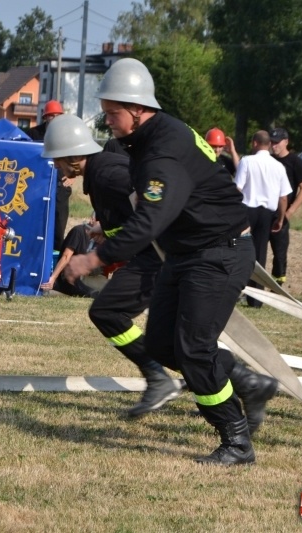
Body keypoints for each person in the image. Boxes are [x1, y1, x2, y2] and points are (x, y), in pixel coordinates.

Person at [64, 58, 278, 466]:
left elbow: (151, 219)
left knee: (194, 349)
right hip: (186, 254)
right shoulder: (149, 139)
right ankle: (249, 384)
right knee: (163, 345)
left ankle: (236, 441)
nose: (106, 121)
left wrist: (95, 258)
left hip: (218, 253)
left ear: (137, 109)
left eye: (112, 113)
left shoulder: (161, 151)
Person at [42, 114, 179, 416]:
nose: (56, 165)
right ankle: (245, 382)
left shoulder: (108, 176)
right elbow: (132, 212)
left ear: (73, 156)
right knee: (172, 342)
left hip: (159, 256)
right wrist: (106, 229)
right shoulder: (100, 173)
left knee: (108, 312)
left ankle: (159, 379)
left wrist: (94, 258)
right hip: (156, 255)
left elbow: (152, 202)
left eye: (58, 159)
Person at [234, 130, 292, 308]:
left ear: (254, 143)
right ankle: (256, 300)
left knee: (240, 250)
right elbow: (283, 198)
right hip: (267, 213)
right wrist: (280, 219)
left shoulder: (247, 161)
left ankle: (236, 290)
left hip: (248, 211)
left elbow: (237, 188)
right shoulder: (278, 166)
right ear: (269, 144)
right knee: (260, 254)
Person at [28, 100, 71, 253]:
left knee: (58, 227)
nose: (54, 119)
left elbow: (79, 156)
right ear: (45, 117)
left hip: (60, 186)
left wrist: (73, 176)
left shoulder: (69, 135)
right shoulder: (33, 134)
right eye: (51, 116)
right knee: (36, 225)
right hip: (38, 186)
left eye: (57, 116)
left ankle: (55, 259)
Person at [269, 127, 302, 286]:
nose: (274, 146)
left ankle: (277, 286)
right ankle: (253, 286)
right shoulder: (268, 160)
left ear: (286, 142)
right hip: (265, 212)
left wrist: (290, 211)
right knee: (256, 250)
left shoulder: (295, 162)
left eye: (277, 142)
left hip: (281, 213)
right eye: (272, 142)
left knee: (280, 253)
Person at [41, 217, 99, 298]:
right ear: (92, 220)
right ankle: (57, 286)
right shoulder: (78, 231)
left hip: (83, 277)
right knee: (92, 294)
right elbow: (66, 256)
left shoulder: (98, 237)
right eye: (100, 221)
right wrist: (53, 278)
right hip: (67, 277)